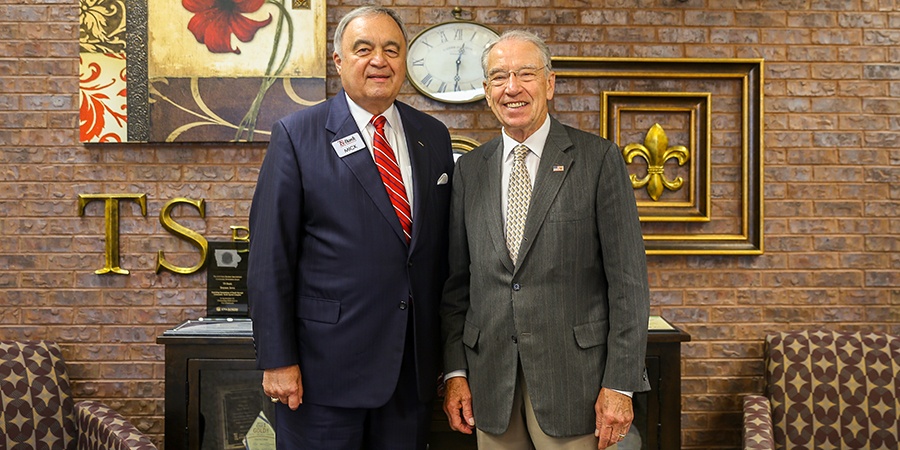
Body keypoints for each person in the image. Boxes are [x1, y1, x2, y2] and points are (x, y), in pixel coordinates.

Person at [247, 6, 454, 449]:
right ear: (339, 61)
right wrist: (277, 359)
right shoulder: (297, 135)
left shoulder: (432, 135)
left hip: (410, 373)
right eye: (364, 49)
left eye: (391, 50)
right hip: (323, 376)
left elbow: (436, 256)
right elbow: (270, 258)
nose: (379, 60)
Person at [440, 30, 651, 450]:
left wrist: (621, 385)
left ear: (549, 84)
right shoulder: (469, 170)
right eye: (499, 78)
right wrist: (455, 372)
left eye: (525, 74)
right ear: (486, 91)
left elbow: (628, 284)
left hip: (577, 384)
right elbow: (457, 286)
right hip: (491, 386)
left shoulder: (598, 160)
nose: (512, 88)